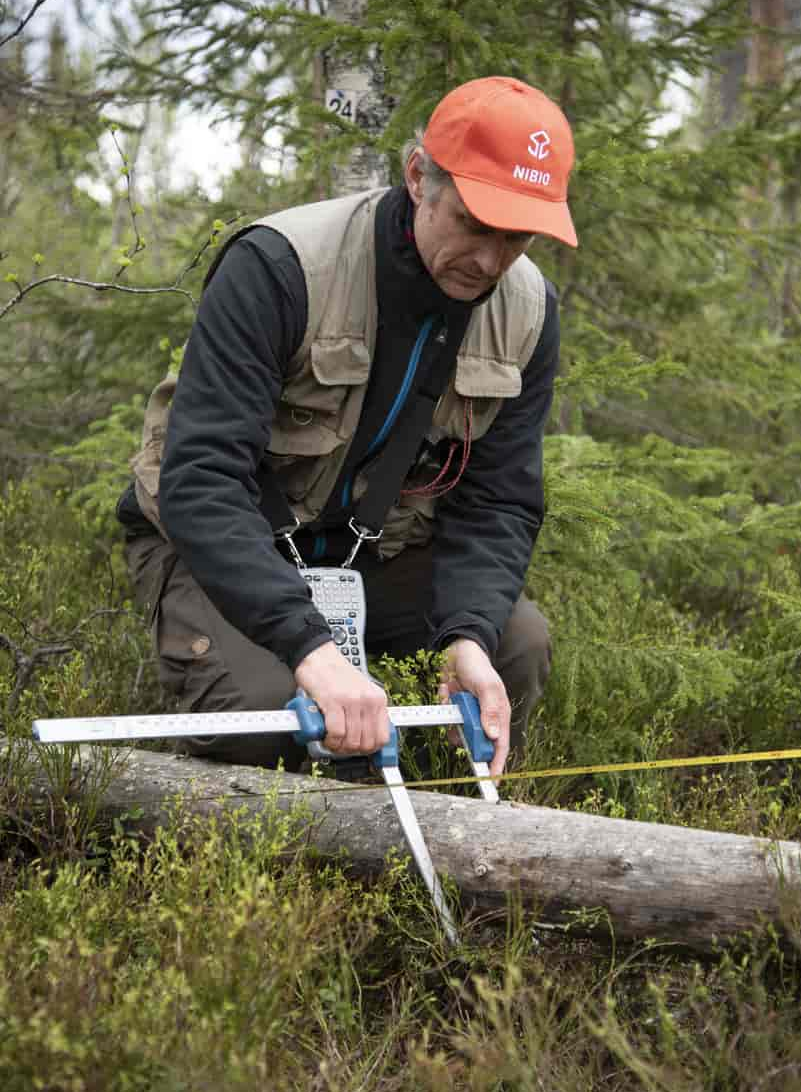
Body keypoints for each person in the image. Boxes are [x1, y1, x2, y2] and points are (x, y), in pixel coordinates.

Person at [116, 75, 577, 778]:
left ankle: (427, 811)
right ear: (419, 176)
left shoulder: (527, 312)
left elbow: (498, 503)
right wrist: (311, 649)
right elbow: (202, 480)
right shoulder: (278, 267)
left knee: (511, 647)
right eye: (475, 225)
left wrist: (467, 635)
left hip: (377, 554)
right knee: (262, 718)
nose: (489, 261)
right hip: (226, 544)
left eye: (515, 238)